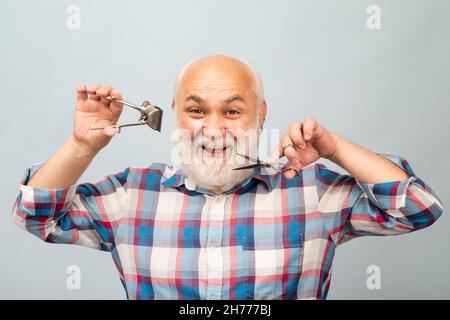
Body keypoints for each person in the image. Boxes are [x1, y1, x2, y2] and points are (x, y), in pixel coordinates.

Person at [12, 55, 443, 300]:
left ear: (262, 116)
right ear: (177, 114)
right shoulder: (132, 193)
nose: (213, 128)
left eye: (233, 111)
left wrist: (334, 148)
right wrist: (82, 147)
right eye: (196, 110)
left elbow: (417, 208)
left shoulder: (312, 192)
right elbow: (37, 216)